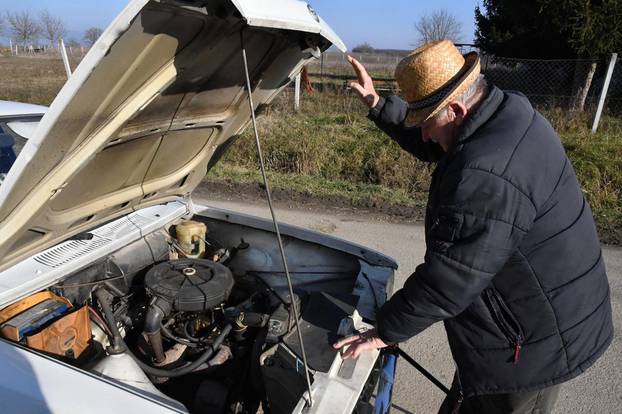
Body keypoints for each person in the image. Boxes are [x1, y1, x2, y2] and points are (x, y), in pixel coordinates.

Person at [333, 40, 613, 414]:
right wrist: (380, 106)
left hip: (532, 348)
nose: (426, 135)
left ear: (457, 108)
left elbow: (448, 280)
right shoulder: (505, 110)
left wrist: (384, 331)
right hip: (542, 316)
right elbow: (440, 141)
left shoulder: (486, 174)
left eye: (427, 123)